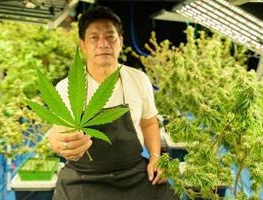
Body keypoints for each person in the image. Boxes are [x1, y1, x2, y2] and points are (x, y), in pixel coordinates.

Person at [48, 5, 179, 200]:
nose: (103, 43)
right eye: (94, 38)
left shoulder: (138, 79)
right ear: (82, 45)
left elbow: (149, 122)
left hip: (132, 173)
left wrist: (155, 157)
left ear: (120, 42)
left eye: (110, 36)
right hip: (84, 177)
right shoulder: (67, 88)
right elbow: (57, 132)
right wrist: (57, 142)